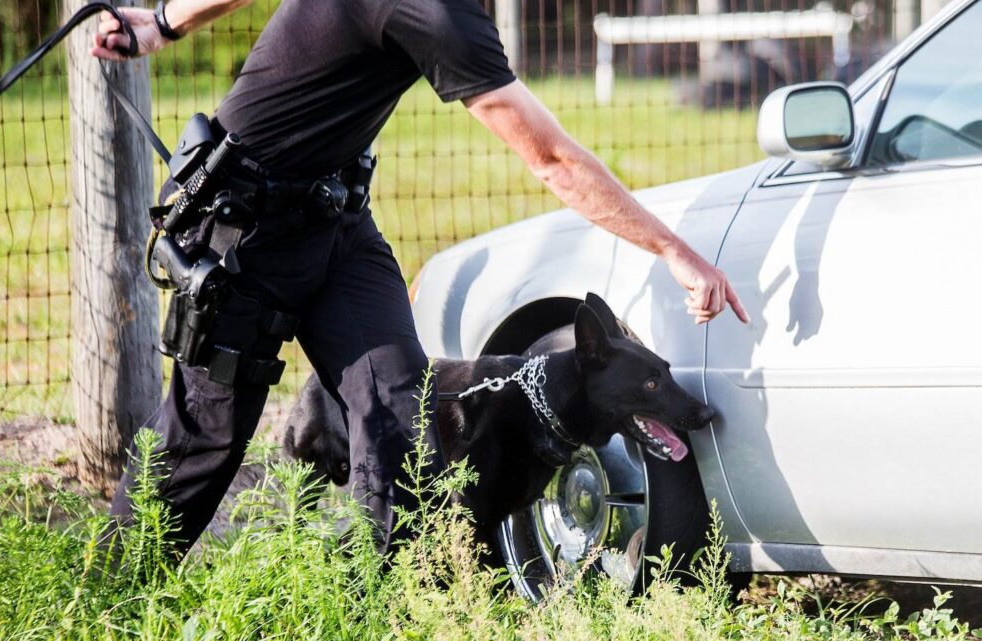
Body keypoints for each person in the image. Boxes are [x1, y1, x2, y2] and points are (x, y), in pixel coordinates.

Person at [93, 0, 749, 558]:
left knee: (398, 420)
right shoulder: (438, 10)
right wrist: (671, 249)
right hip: (245, 230)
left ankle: (359, 617)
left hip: (339, 223)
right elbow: (552, 160)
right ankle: (105, 605)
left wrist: (162, 23)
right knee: (201, 443)